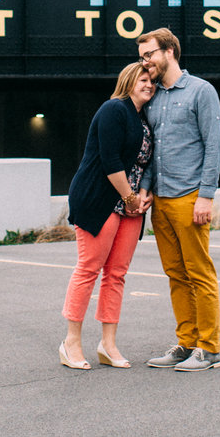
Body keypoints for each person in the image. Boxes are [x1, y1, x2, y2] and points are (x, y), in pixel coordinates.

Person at [137, 27, 220, 371]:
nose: (145, 62)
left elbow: (214, 146)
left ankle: (209, 348)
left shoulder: (202, 91)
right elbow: (152, 149)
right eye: (141, 56)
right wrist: (145, 187)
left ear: (169, 51)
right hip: (161, 200)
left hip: (190, 198)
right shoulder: (153, 97)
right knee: (176, 274)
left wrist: (206, 196)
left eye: (149, 54)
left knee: (199, 273)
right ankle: (187, 343)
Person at [60, 62, 154, 370]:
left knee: (117, 274)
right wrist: (128, 196)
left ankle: (108, 344)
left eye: (152, 81)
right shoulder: (114, 109)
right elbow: (110, 159)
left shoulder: (143, 120)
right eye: (143, 79)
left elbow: (141, 166)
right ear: (129, 80)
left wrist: (142, 194)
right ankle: (70, 342)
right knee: (89, 268)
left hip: (129, 206)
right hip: (100, 200)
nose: (149, 85)